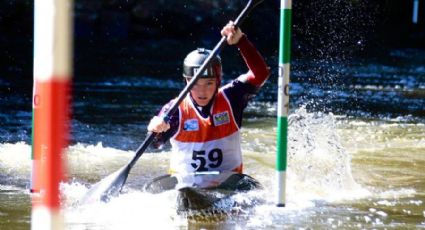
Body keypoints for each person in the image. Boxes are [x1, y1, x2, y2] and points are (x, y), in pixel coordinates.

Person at [144, 21, 270, 197]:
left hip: (228, 183)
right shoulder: (175, 109)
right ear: (186, 81)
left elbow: (261, 74)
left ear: (218, 81)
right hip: (185, 186)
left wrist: (241, 41)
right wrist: (156, 129)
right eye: (195, 84)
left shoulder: (232, 97)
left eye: (209, 83)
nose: (201, 91)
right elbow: (155, 143)